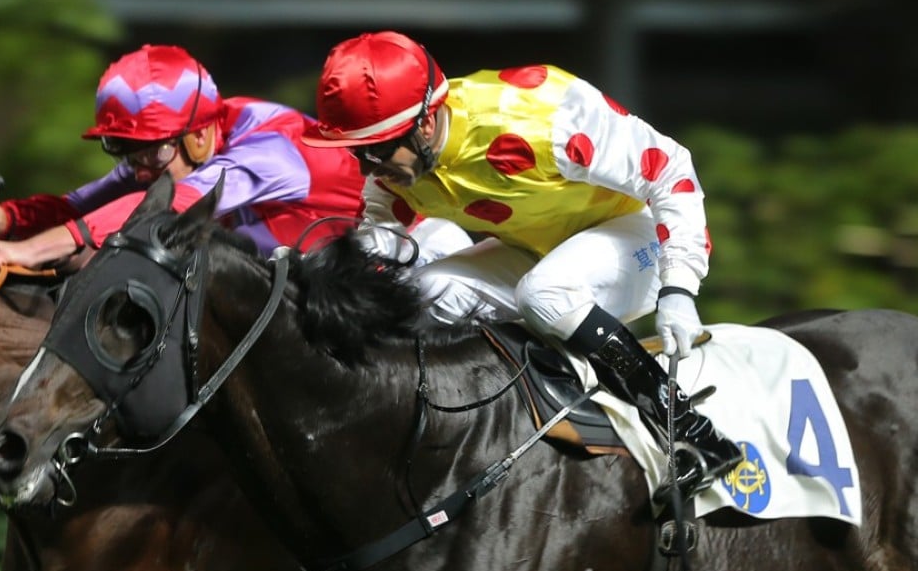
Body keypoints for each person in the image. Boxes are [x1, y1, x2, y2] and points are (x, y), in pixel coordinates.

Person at [302, 30, 741, 503]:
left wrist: (679, 287)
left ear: (425, 125)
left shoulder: (540, 118)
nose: (368, 170)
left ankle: (689, 432)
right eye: (355, 153)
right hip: (537, 251)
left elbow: (671, 170)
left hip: (637, 237)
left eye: (378, 151)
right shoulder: (400, 164)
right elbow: (379, 241)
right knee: (424, 293)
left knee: (544, 292)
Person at [0, 44, 382, 274]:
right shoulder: (170, 150)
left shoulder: (271, 153)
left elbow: (166, 204)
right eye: (126, 152)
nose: (140, 171)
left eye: (154, 153)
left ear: (201, 135)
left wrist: (29, 251)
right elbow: (78, 209)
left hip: (381, 281)